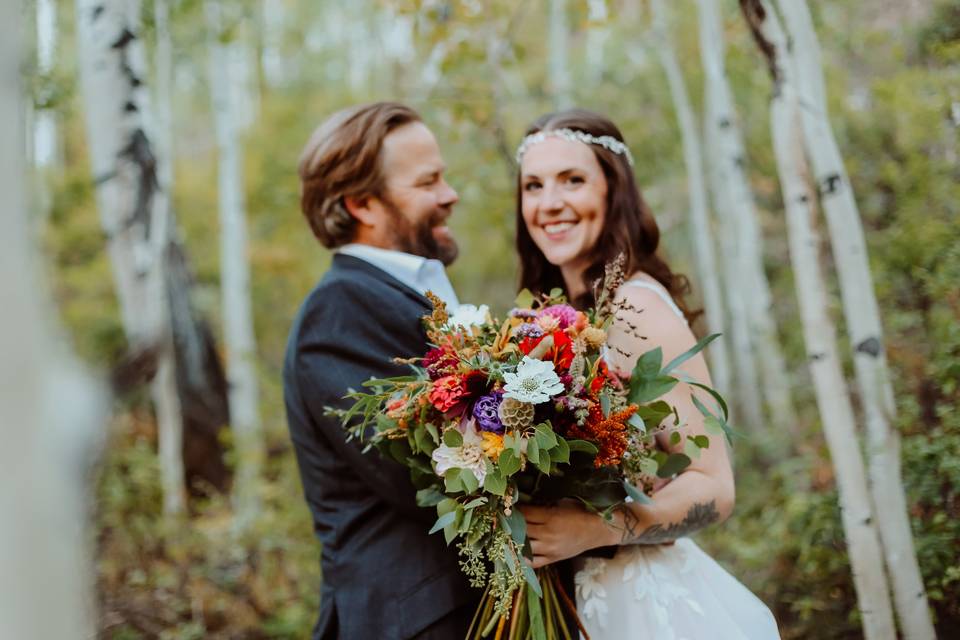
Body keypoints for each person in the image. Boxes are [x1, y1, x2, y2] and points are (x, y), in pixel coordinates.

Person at [514, 109, 781, 639]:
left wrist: (591, 529)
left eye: (573, 180)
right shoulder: (548, 317)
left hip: (640, 608)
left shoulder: (634, 307)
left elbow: (714, 485)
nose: (550, 204)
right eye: (533, 185)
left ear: (614, 192)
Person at [283, 102, 479, 639]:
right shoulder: (339, 312)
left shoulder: (411, 290)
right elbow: (415, 470)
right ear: (362, 203)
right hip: (415, 618)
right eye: (429, 181)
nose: (449, 194)